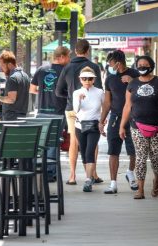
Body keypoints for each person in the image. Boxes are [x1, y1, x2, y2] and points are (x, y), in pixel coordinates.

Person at [119, 55, 158, 199]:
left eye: (145, 65)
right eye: (139, 65)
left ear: (151, 66)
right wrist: (122, 126)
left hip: (157, 127)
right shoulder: (132, 84)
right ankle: (140, 189)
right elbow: (127, 106)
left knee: (156, 156)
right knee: (140, 157)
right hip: (137, 126)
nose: (142, 67)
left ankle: (156, 178)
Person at [56, 39, 103, 185]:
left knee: (73, 143)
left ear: (75, 51)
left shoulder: (68, 67)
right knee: (93, 142)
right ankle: (93, 174)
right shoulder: (94, 67)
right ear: (88, 50)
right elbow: (100, 90)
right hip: (91, 111)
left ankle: (72, 176)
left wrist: (71, 97)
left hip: (71, 110)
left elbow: (58, 91)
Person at [99, 50, 140, 194]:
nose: (108, 65)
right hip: (115, 118)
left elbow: (145, 93)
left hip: (133, 118)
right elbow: (107, 102)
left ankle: (130, 172)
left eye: (109, 62)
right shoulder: (109, 79)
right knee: (113, 151)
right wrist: (102, 120)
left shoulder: (136, 75)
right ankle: (113, 183)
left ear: (117, 62)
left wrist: (133, 82)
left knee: (134, 150)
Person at [73, 67, 104, 192]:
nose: (87, 81)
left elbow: (105, 107)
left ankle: (87, 180)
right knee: (84, 153)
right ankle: (89, 177)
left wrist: (102, 121)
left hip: (94, 125)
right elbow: (76, 110)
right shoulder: (77, 93)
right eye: (84, 78)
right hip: (79, 125)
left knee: (90, 151)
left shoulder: (100, 92)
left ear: (94, 79)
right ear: (80, 79)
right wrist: (79, 100)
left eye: (90, 78)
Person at [30, 46, 70, 115]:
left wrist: (45, 91)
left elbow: (32, 90)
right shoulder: (66, 71)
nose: (69, 59)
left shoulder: (40, 70)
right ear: (62, 57)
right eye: (68, 56)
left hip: (42, 113)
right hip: (59, 114)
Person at [0, 50, 30, 120]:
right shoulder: (25, 76)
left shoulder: (12, 78)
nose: (1, 69)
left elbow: (11, 99)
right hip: (22, 116)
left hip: (11, 118)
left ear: (9, 64)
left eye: (2, 66)